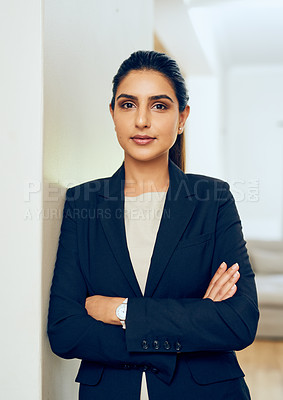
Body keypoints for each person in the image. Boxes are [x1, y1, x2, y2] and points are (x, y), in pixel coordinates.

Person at [47, 50, 259, 400]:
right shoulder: (82, 202)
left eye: (159, 106)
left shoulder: (213, 198)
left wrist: (120, 310)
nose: (142, 120)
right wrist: (195, 319)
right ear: (112, 114)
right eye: (128, 105)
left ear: (182, 117)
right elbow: (65, 329)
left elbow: (238, 321)